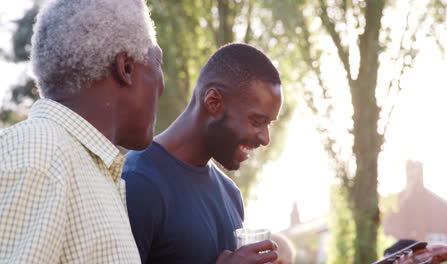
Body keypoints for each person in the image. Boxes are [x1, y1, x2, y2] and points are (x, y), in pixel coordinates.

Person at [0, 0, 164, 262]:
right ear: (126, 68)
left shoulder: (82, 166)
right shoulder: (39, 155)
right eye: (158, 64)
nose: (162, 87)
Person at [123, 43, 283, 264]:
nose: (265, 138)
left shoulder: (231, 194)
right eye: (257, 121)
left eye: (269, 125)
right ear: (214, 102)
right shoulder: (138, 182)